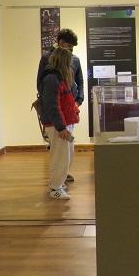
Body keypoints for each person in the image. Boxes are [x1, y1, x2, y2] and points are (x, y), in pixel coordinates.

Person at [36, 28, 84, 182]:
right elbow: (43, 87)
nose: (70, 51)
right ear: (61, 43)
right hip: (57, 110)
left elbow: (79, 82)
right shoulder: (47, 61)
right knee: (60, 150)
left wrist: (77, 101)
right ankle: (57, 182)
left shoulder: (75, 60)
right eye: (69, 46)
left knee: (67, 149)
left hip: (69, 110)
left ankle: (62, 176)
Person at [39, 47, 79, 200]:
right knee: (60, 157)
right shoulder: (51, 79)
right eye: (69, 62)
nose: (71, 65)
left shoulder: (61, 77)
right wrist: (61, 127)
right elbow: (52, 106)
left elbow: (70, 96)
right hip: (57, 125)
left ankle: (58, 184)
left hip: (64, 123)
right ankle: (55, 188)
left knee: (67, 155)